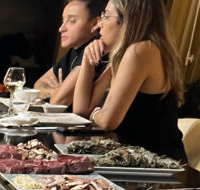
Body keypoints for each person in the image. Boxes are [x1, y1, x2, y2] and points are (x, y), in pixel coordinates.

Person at [72, 0, 186, 161]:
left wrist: (96, 112)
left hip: (159, 166)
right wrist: (87, 59)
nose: (99, 25)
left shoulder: (142, 50)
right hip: (135, 160)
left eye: (105, 15)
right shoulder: (125, 54)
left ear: (126, 20)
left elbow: (107, 122)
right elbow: (81, 111)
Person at [33, 0, 104, 105]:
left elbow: (58, 101)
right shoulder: (74, 51)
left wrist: (57, 92)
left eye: (72, 21)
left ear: (95, 23)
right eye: (63, 20)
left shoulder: (95, 49)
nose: (61, 28)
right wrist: (58, 91)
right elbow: (37, 86)